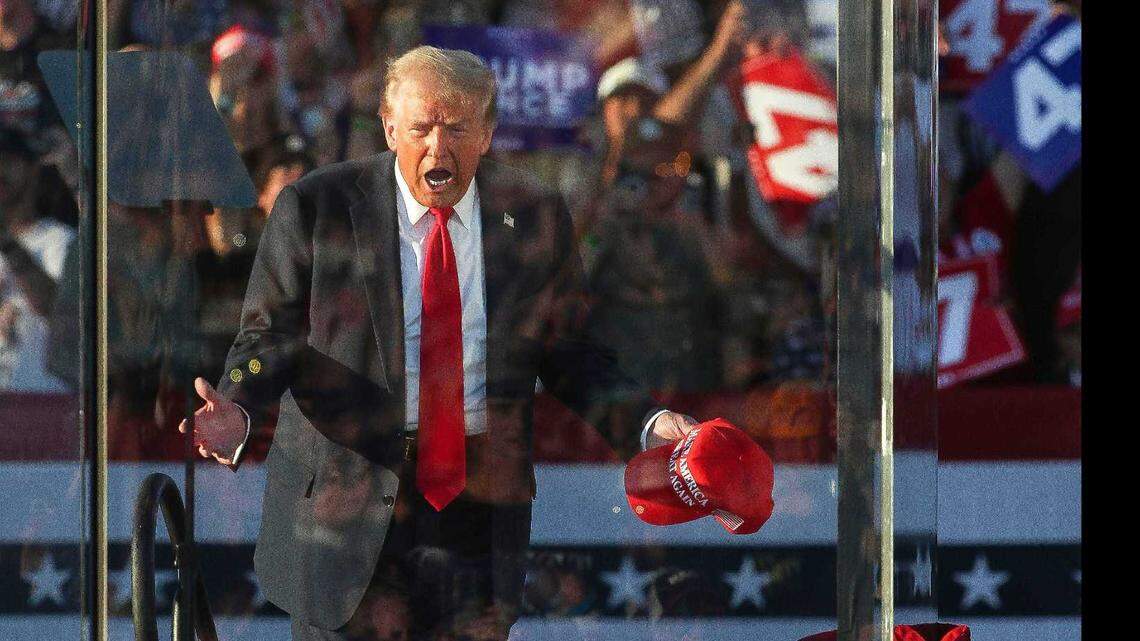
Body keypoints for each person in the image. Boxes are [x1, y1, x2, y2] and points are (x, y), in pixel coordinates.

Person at [182, 46, 695, 641]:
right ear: (389, 126)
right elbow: (266, 335)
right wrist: (238, 402)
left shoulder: (534, 216)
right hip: (345, 509)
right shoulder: (318, 207)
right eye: (422, 126)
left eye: (456, 127)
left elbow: (569, 351)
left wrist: (647, 420)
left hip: (476, 521)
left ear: (487, 133)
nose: (437, 145)